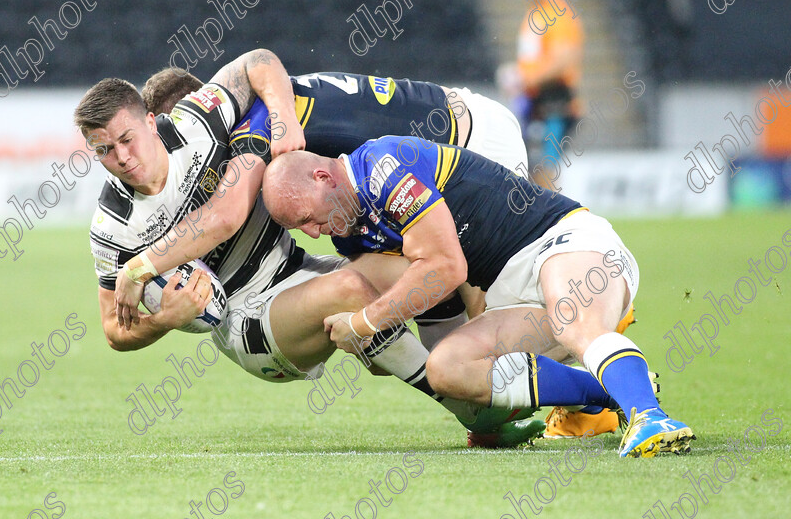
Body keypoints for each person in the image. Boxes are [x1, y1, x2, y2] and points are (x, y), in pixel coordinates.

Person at [137, 61, 631, 441]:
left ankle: (598, 368)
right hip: (423, 156)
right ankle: (575, 379)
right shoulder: (266, 115)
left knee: (492, 305)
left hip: (470, 135)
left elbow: (224, 213)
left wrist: (142, 266)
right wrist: (376, 327)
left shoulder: (250, 130)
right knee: (450, 350)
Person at [75, 50, 540, 448]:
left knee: (434, 273)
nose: (121, 158)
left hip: (301, 267)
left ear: (152, 124)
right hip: (249, 317)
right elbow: (114, 329)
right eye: (104, 151)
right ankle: (475, 409)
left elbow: (259, 61)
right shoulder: (112, 226)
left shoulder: (202, 123)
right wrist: (163, 319)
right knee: (354, 292)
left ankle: (536, 354)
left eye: (126, 140)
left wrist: (281, 117)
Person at [260, 137, 694, 458]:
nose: (313, 232)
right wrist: (373, 345)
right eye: (303, 230)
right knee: (448, 369)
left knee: (573, 323)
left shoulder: (381, 165)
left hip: (561, 240)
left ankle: (651, 418)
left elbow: (446, 267)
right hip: (510, 293)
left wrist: (365, 322)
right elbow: (440, 293)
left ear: (322, 177)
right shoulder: (352, 235)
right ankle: (609, 393)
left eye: (307, 218)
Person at [496, 0, 583, 191]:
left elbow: (564, 59)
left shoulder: (557, 14)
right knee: (533, 169)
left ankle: (560, 223)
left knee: (545, 167)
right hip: (534, 103)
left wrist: (525, 79)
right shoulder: (533, 15)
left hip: (554, 102)